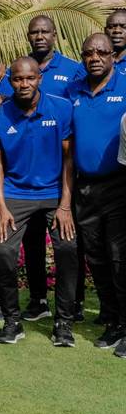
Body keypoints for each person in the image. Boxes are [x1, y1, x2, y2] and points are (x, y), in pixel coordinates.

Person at [0, 57, 78, 346]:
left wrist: (65, 206)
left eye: (30, 78)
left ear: (40, 78)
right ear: (10, 81)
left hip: (54, 194)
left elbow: (69, 159)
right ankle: (12, 321)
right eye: (17, 79)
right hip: (15, 193)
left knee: (67, 248)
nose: (24, 84)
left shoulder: (62, 108)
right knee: (4, 252)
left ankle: (63, 323)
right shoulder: (0, 113)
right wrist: (1, 206)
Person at [17, 15, 84, 323]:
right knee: (31, 245)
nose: (40, 36)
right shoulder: (19, 68)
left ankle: (74, 304)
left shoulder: (72, 69)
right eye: (35, 32)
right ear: (29, 36)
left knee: (69, 243)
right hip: (28, 175)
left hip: (62, 172)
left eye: (45, 32)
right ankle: (38, 300)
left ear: (55, 35)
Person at [70, 33, 126, 358]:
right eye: (89, 53)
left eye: (102, 52)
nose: (95, 58)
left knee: (121, 259)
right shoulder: (73, 90)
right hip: (85, 189)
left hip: (118, 186)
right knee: (97, 259)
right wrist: (1, 100)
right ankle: (113, 320)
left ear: (113, 57)